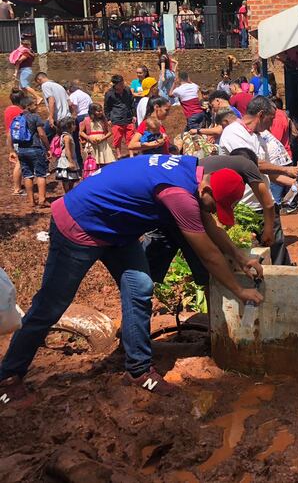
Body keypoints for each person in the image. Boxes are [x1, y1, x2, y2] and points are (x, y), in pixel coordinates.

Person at [0, 155, 267, 404]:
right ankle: (9, 376)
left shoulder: (193, 172)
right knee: (52, 304)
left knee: (140, 287)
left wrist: (241, 258)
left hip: (118, 229)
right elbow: (208, 254)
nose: (211, 211)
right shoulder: (179, 195)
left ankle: (138, 369)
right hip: (80, 225)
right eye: (213, 206)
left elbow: (209, 226)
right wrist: (237, 290)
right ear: (206, 191)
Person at [218, 96, 296, 266]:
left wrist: (295, 183)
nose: (272, 124)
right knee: (248, 253)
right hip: (242, 208)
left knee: (277, 250)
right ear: (261, 114)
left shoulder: (261, 136)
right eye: (271, 119)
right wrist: (286, 169)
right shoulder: (234, 132)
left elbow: (270, 173)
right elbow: (252, 164)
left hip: (263, 205)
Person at [11, 96, 49, 209]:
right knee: (41, 175)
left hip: (22, 150)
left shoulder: (17, 118)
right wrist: (48, 147)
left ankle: (31, 201)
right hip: (35, 148)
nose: (37, 106)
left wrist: (12, 150)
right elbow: (42, 134)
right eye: (34, 104)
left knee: (28, 175)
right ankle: (42, 200)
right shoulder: (35, 117)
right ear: (28, 106)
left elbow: (10, 136)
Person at [104, 74, 135, 158]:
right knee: (117, 139)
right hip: (116, 119)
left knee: (130, 137)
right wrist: (109, 119)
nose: (122, 85)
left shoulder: (127, 90)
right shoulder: (109, 94)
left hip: (128, 117)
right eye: (120, 84)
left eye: (122, 83)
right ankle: (119, 155)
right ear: (115, 84)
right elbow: (107, 107)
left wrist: (133, 115)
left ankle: (131, 154)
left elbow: (132, 102)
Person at [35, 72, 73, 138]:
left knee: (44, 136)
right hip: (67, 117)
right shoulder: (59, 86)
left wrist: (51, 117)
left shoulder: (45, 85)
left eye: (38, 83)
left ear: (39, 79)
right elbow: (69, 103)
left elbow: (51, 100)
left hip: (58, 118)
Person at [80, 103, 116, 168]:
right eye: (98, 111)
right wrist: (89, 138)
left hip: (102, 143)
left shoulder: (103, 120)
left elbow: (110, 132)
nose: (100, 112)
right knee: (93, 161)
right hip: (91, 143)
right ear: (92, 111)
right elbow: (81, 132)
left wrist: (103, 139)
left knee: (104, 160)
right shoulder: (87, 120)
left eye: (101, 110)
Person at [67, 80, 92, 168]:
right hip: (88, 116)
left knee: (75, 140)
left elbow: (73, 106)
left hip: (80, 117)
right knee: (88, 138)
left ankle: (79, 162)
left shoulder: (73, 95)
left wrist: (72, 116)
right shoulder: (86, 95)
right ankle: (92, 159)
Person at [4, 89, 24, 195]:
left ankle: (17, 186)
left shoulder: (8, 109)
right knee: (20, 164)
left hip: (10, 137)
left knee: (18, 162)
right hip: (17, 138)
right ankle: (17, 188)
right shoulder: (19, 111)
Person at [53, 116, 80, 193]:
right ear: (69, 126)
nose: (75, 126)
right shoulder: (67, 137)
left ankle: (69, 193)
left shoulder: (66, 136)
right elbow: (67, 149)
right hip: (66, 160)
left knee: (70, 178)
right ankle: (68, 194)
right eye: (73, 124)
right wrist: (71, 161)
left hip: (68, 159)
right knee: (68, 178)